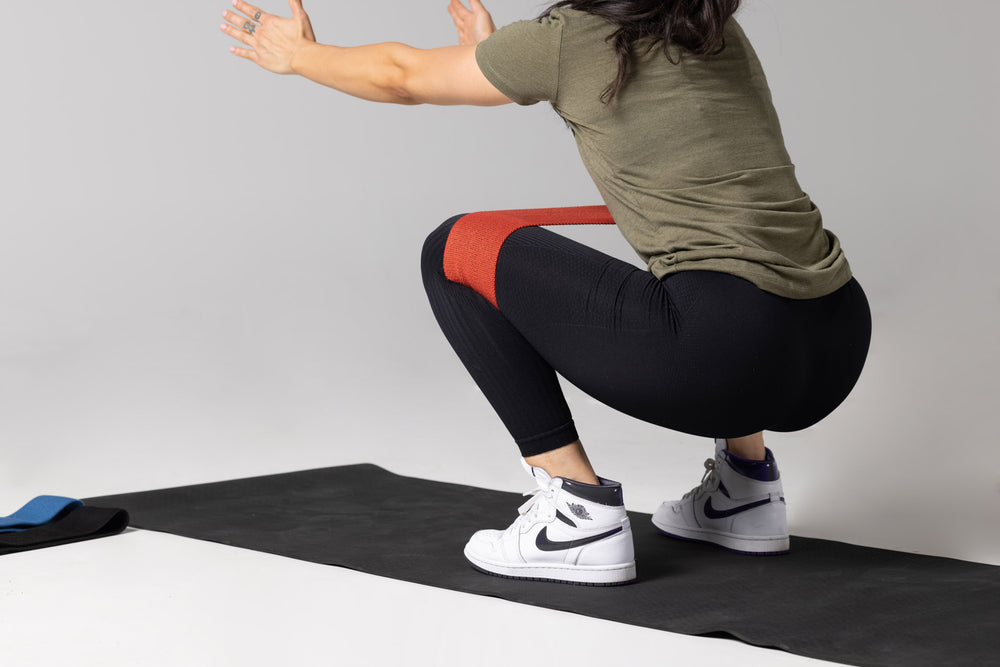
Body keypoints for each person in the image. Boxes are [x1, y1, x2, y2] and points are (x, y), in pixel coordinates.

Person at [221, 0, 872, 586]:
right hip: (837, 339)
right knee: (707, 263)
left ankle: (576, 509)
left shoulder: (572, 38)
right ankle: (746, 490)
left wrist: (301, 55)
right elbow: (630, 115)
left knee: (453, 250)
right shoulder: (709, 25)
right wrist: (495, 52)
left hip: (727, 353)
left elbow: (401, 75)